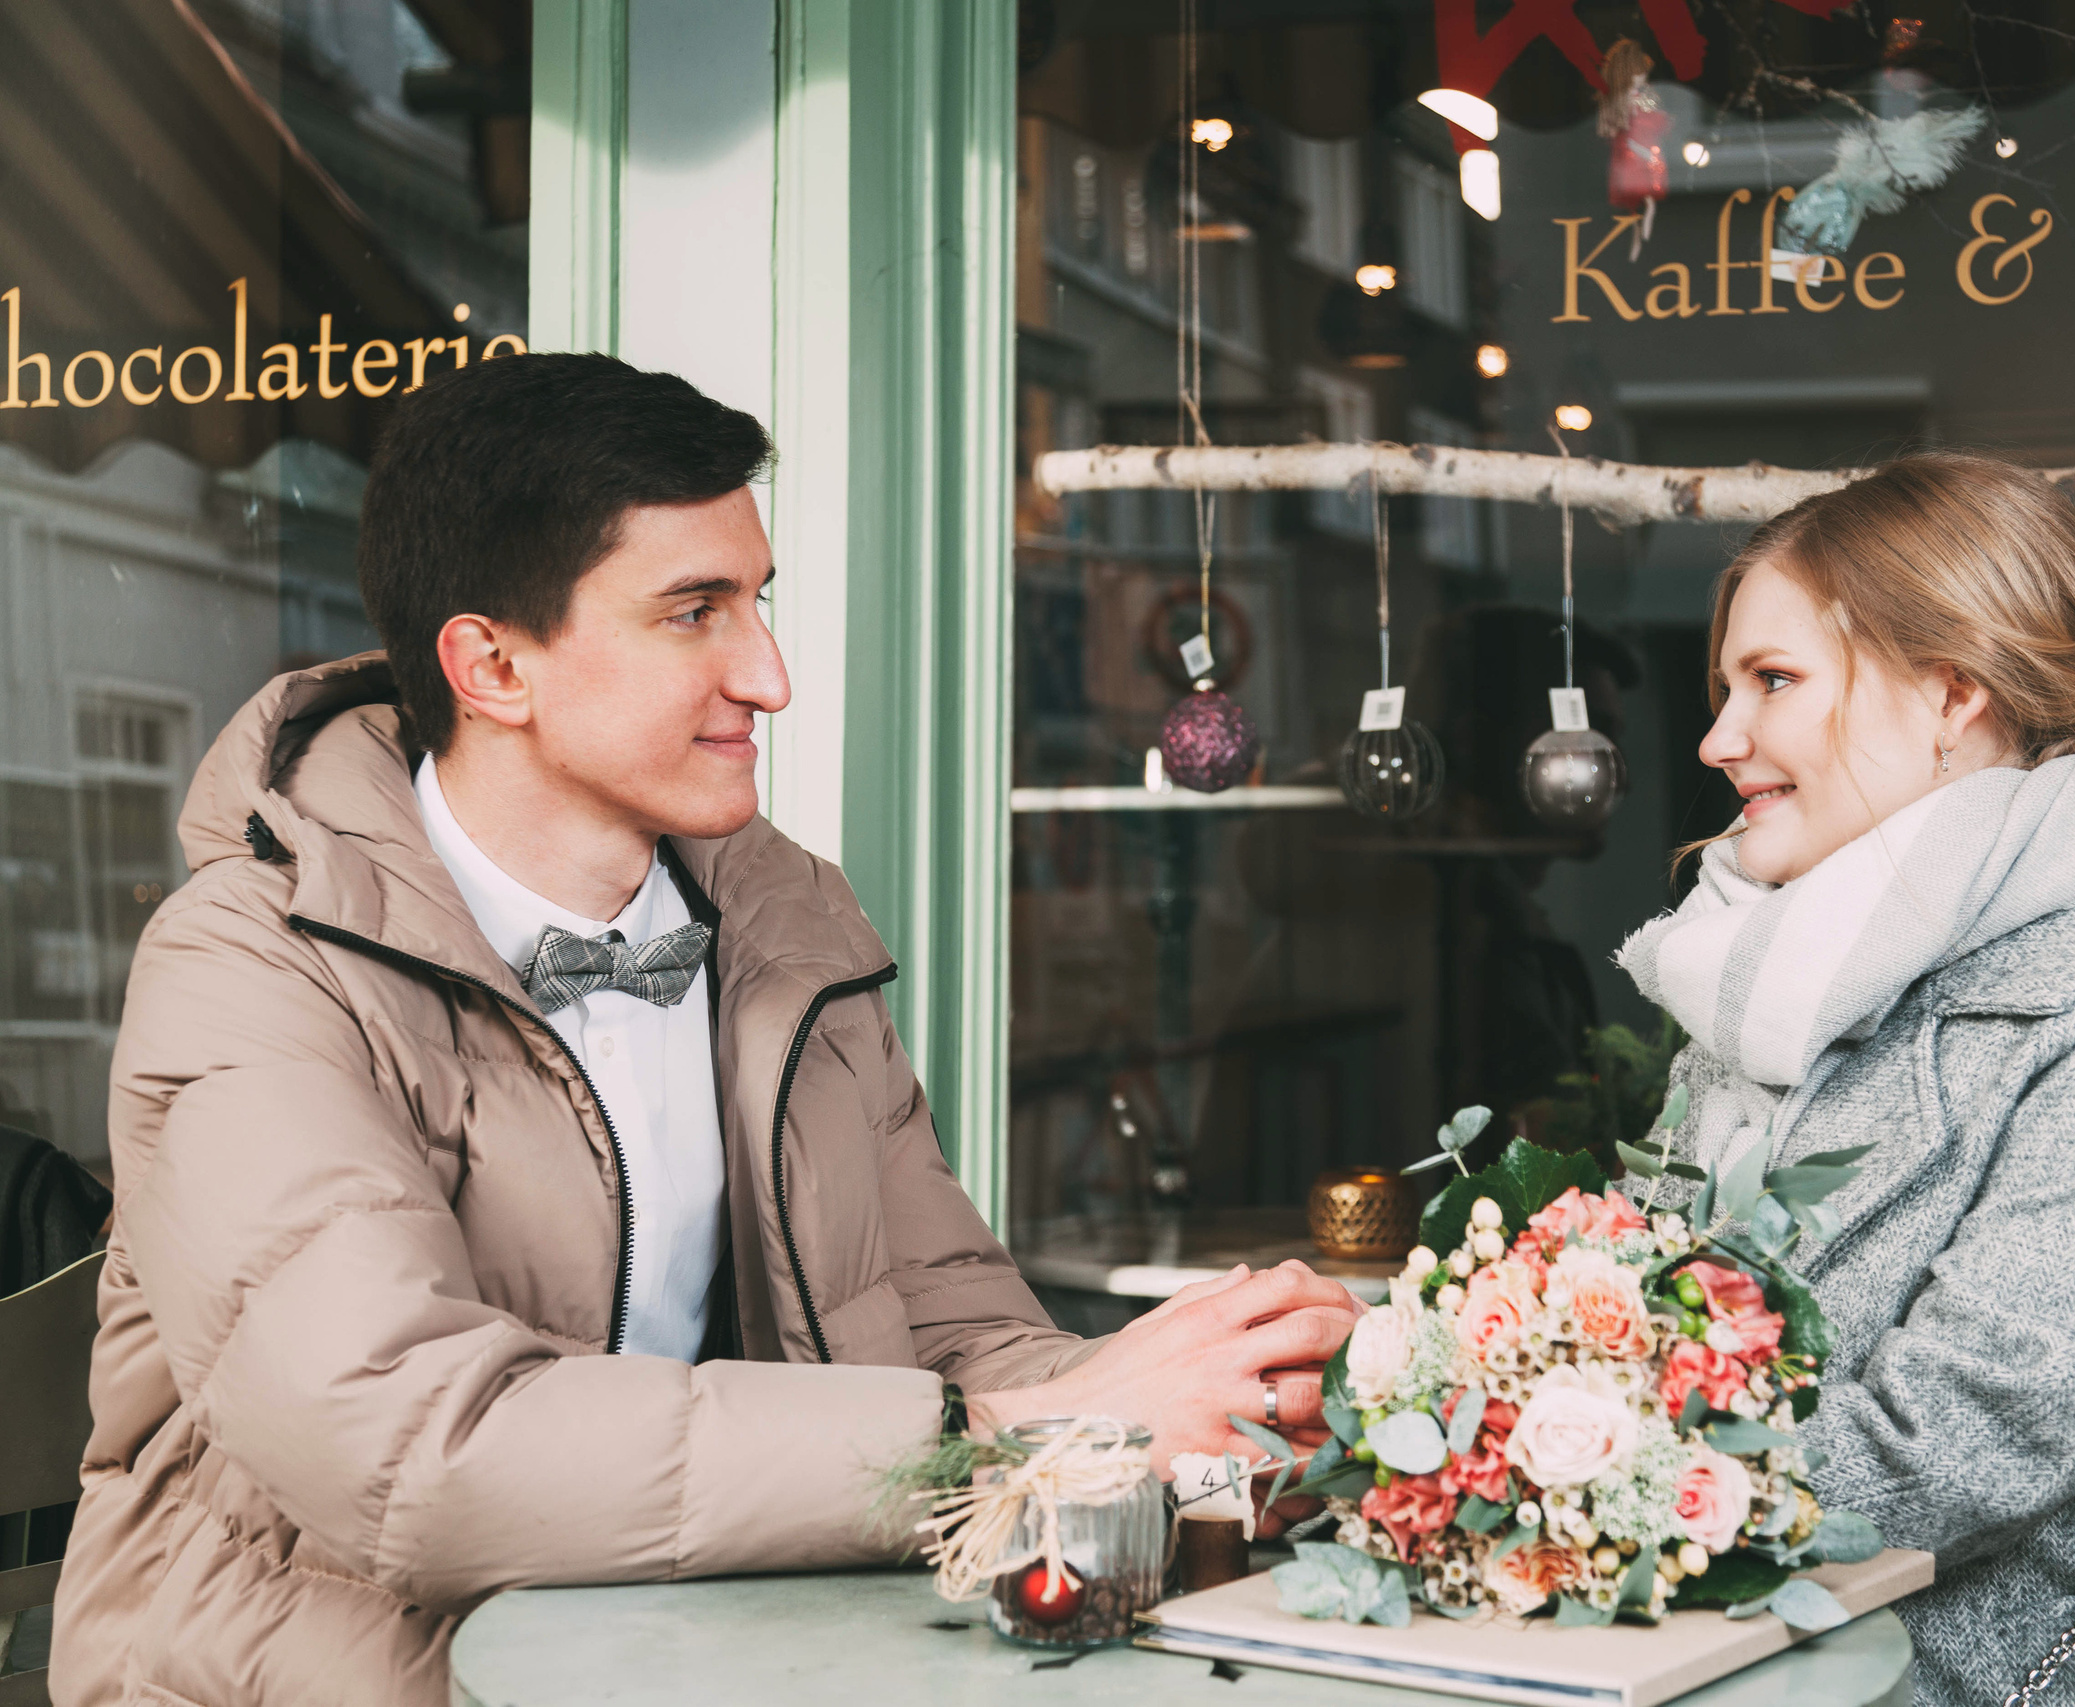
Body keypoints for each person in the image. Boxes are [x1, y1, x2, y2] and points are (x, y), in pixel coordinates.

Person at [52, 354, 1355, 1707]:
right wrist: (1015, 1426)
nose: (770, 674)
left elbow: (961, 1333)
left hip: (710, 1653)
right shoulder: (248, 962)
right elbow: (415, 1452)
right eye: (694, 612)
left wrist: (1199, 1382)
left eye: (758, 601)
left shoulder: (787, 921)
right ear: (491, 663)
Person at [1616, 454, 2075, 1703]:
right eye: (1725, 687)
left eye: (1772, 682)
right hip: (1750, 1660)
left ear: (1951, 695)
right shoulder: (1771, 978)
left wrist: (1552, 1484)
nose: (1720, 740)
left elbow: (1960, 1446)